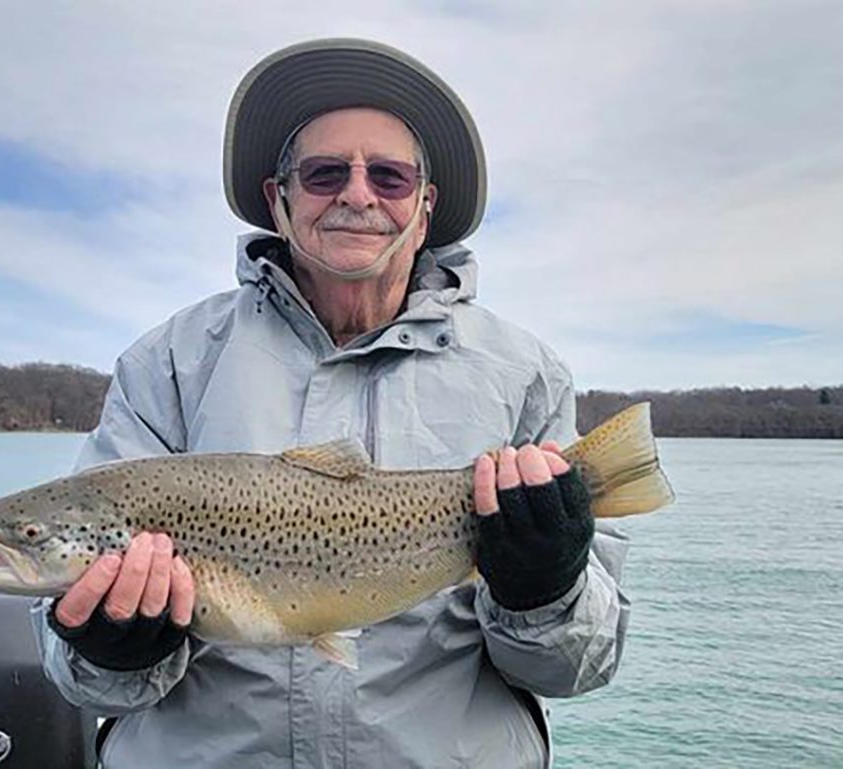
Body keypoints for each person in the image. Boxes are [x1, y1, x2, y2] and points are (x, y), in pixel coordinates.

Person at [33, 38, 630, 769]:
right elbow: (85, 682)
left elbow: (577, 668)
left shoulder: (526, 373)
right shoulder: (169, 365)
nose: (357, 194)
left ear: (425, 204)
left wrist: (545, 589)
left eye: (389, 175)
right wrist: (110, 644)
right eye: (323, 174)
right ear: (276, 199)